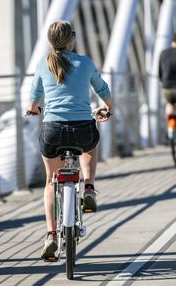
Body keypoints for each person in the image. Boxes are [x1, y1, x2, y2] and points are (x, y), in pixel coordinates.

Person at [27, 20, 113, 260]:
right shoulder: (84, 63)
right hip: (82, 130)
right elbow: (103, 90)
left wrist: (34, 109)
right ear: (71, 39)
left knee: (49, 181)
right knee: (90, 147)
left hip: (52, 131)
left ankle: (51, 235)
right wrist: (108, 108)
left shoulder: (44, 64)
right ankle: (89, 187)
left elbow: (33, 99)